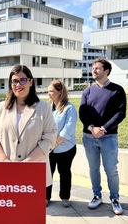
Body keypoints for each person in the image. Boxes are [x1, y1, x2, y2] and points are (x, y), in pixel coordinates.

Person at [0, 65, 57, 201]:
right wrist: (5, 160)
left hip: (33, 173)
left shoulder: (44, 107)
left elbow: (50, 139)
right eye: (14, 81)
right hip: (4, 173)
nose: (18, 85)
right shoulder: (2, 107)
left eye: (22, 80)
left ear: (31, 82)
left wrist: (26, 164)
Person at [79, 58, 127, 215]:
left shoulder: (117, 90)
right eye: (93, 68)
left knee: (111, 170)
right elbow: (82, 113)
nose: (94, 70)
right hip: (89, 137)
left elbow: (121, 113)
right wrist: (92, 128)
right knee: (93, 169)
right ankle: (96, 196)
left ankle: (115, 198)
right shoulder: (87, 91)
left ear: (106, 71)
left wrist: (104, 129)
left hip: (109, 137)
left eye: (97, 68)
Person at [46, 80, 77, 208]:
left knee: (64, 172)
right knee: (48, 173)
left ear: (59, 92)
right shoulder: (47, 108)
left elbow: (67, 130)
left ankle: (65, 197)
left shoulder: (69, 108)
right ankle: (45, 197)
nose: (48, 94)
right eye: (48, 91)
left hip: (65, 148)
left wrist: (54, 143)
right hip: (48, 148)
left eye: (51, 91)